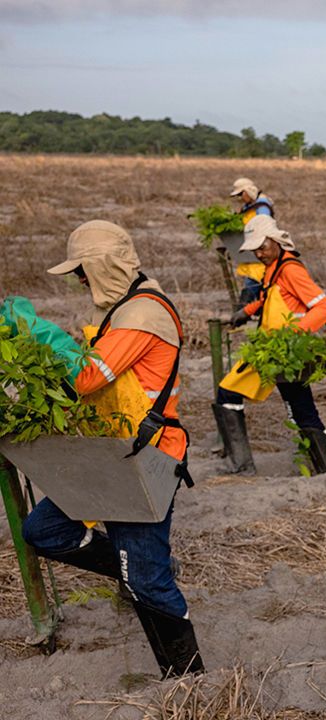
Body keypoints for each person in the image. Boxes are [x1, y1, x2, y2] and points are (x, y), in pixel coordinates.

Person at [20, 220, 203, 678]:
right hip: (113, 450)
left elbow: (86, 378)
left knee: (147, 581)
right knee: (44, 530)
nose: (80, 280)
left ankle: (190, 683)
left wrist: (43, 335)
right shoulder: (124, 308)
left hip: (146, 457)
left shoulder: (142, 314)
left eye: (82, 270)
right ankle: (141, 568)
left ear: (103, 266)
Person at [213, 215, 326, 475]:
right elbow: (269, 295)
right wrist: (246, 312)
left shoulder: (291, 269)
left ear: (276, 241)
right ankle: (325, 470)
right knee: (300, 408)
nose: (259, 253)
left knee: (230, 393)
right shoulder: (274, 267)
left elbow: (325, 307)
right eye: (255, 249)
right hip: (273, 348)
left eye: (262, 247)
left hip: (284, 350)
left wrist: (292, 335)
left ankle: (241, 465)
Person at [228, 178, 276, 306]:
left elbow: (264, 227)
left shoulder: (262, 206)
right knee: (253, 279)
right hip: (251, 249)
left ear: (248, 192)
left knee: (255, 278)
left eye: (240, 195)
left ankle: (244, 308)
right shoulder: (249, 206)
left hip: (261, 249)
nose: (239, 199)